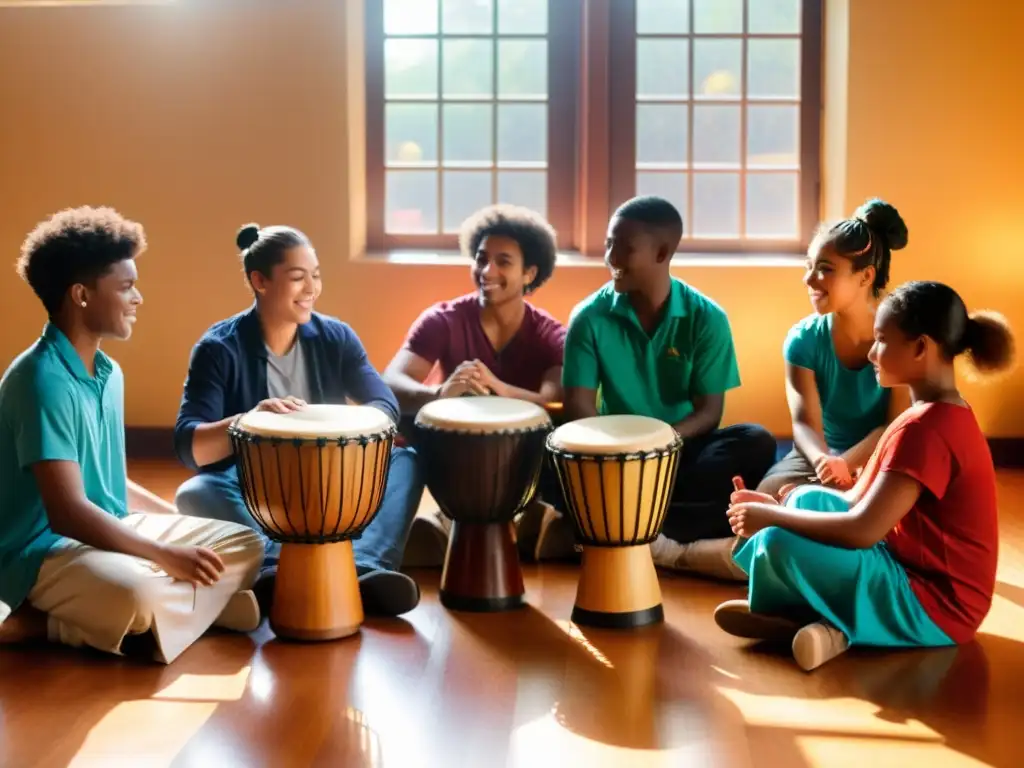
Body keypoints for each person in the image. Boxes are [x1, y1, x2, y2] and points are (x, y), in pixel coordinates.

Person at [0, 206, 265, 664]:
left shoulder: (108, 373)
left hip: (107, 528)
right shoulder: (39, 379)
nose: (138, 298)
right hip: (38, 553)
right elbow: (67, 514)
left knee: (247, 543)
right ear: (81, 295)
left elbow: (109, 486)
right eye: (125, 287)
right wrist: (164, 556)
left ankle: (153, 623)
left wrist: (177, 535)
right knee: (137, 594)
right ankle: (45, 625)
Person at [717, 281, 1014, 672]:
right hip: (903, 563)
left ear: (921, 347)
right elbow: (858, 500)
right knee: (804, 498)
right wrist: (779, 505)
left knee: (776, 540)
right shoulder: (932, 412)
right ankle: (826, 622)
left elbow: (862, 530)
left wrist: (771, 520)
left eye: (881, 340)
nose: (872, 352)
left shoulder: (927, 429)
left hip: (936, 607)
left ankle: (820, 620)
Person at [173, 224, 424, 617]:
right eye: (297, 277)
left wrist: (344, 426)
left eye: (316, 275)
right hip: (256, 484)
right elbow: (190, 446)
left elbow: (384, 404)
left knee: (406, 462)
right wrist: (248, 420)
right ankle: (273, 569)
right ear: (260, 281)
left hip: (334, 473)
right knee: (197, 491)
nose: (311, 289)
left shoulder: (335, 336)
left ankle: (367, 568)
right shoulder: (218, 348)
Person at [561, 195, 777, 581]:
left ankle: (615, 528)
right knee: (548, 447)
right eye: (609, 244)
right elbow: (578, 405)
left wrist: (661, 443)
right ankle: (674, 532)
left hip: (679, 452)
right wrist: (620, 454)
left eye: (623, 248)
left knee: (756, 441)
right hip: (612, 457)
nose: (610, 257)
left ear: (662, 252)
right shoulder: (589, 317)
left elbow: (709, 412)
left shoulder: (706, 318)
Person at [381, 204, 569, 564]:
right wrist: (437, 393)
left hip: (521, 457)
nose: (487, 271)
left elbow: (555, 401)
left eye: (503, 262)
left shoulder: (549, 333)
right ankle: (448, 523)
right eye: (481, 259)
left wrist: (497, 386)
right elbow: (390, 381)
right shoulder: (443, 319)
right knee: (405, 423)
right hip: (452, 453)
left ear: (530, 273)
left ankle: (512, 520)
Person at [758, 199, 912, 497]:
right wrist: (825, 463)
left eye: (825, 269)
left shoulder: (900, 335)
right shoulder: (803, 340)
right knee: (769, 492)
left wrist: (847, 464)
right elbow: (805, 424)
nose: (809, 279)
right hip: (822, 456)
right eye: (809, 267)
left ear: (866, 276)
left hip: (885, 453)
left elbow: (895, 423)